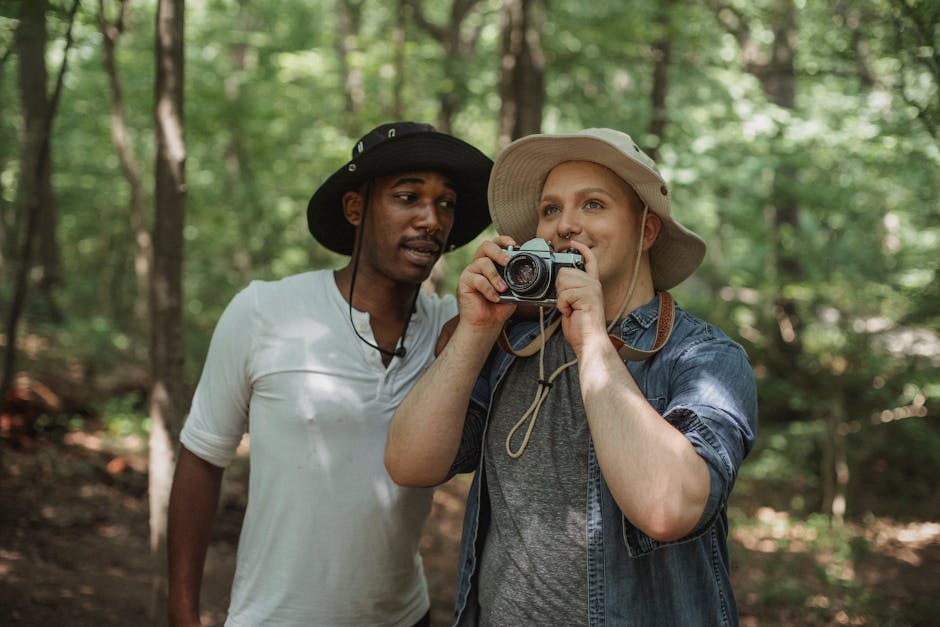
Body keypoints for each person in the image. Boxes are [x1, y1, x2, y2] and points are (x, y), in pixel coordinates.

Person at [385, 128, 758, 625]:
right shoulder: (508, 346)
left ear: (646, 232)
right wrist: (476, 330)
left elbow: (669, 510)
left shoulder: (702, 357)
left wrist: (594, 344)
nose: (565, 225)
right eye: (550, 209)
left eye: (593, 205)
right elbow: (409, 464)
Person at [167, 121, 493, 627]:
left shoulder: (458, 332)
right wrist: (182, 610)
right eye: (408, 197)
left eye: (446, 203)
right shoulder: (264, 312)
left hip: (406, 618)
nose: (431, 219)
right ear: (356, 208)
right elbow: (202, 457)